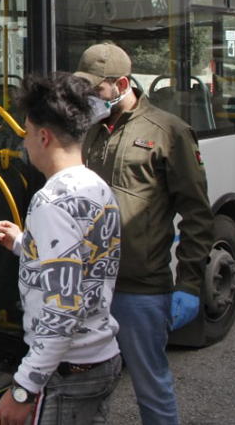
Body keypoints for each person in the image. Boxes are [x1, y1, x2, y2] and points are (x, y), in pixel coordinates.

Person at [74, 42, 213, 425]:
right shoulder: (91, 130)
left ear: (121, 83)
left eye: (95, 89)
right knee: (82, 385)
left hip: (140, 288)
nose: (88, 96)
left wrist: (189, 284)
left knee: (151, 386)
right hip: (88, 284)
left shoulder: (169, 131)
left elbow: (198, 214)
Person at [0, 72, 122, 425]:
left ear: (44, 136)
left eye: (27, 134)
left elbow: (62, 311)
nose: (25, 144)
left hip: (68, 372)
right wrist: (22, 244)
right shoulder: (97, 187)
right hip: (100, 358)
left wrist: (23, 388)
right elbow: (83, 263)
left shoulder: (52, 202)